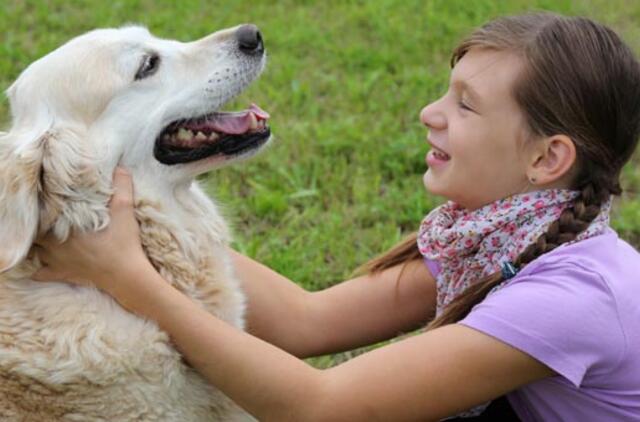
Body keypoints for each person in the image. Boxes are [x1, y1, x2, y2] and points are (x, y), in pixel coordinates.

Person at [32, 13, 640, 421]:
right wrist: (144, 227)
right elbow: (307, 321)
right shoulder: (505, 237)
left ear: (546, 158)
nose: (430, 112)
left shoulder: (572, 296)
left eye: (466, 106)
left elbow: (320, 408)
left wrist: (130, 278)